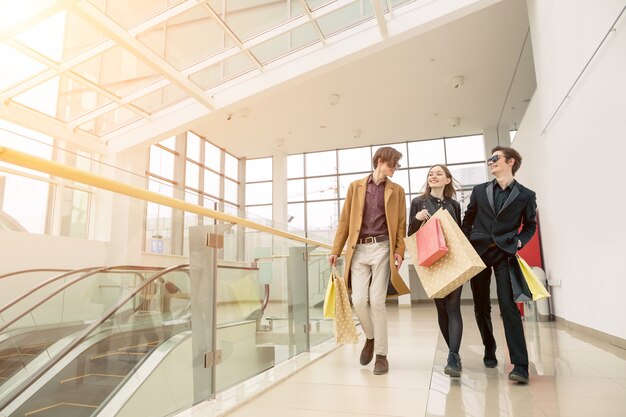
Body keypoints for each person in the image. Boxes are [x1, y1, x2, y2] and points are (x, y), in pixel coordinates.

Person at [328, 146, 409, 375]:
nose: (395, 168)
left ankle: (382, 355)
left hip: (383, 247)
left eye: (397, 165)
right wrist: (336, 249)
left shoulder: (398, 190)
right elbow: (345, 221)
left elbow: (401, 224)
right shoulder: (356, 187)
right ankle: (371, 338)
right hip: (358, 249)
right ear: (380, 161)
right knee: (359, 300)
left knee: (377, 301)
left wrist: (399, 250)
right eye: (393, 164)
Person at [461, 146, 537, 384]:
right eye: (489, 159)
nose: (490, 162)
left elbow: (530, 225)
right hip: (479, 253)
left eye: (495, 158)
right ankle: (489, 347)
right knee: (481, 305)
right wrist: (466, 246)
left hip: (505, 253)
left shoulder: (526, 195)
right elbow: (468, 219)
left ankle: (520, 365)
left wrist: (519, 243)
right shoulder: (480, 190)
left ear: (510, 161)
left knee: (508, 306)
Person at [408, 164, 463, 378]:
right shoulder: (418, 202)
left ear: (448, 179)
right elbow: (410, 234)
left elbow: (459, 232)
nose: (434, 176)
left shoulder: (454, 204)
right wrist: (417, 219)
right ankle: (453, 355)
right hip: (432, 261)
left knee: (454, 306)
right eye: (431, 174)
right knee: (441, 309)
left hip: (454, 259)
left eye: (439, 173)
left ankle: (453, 356)